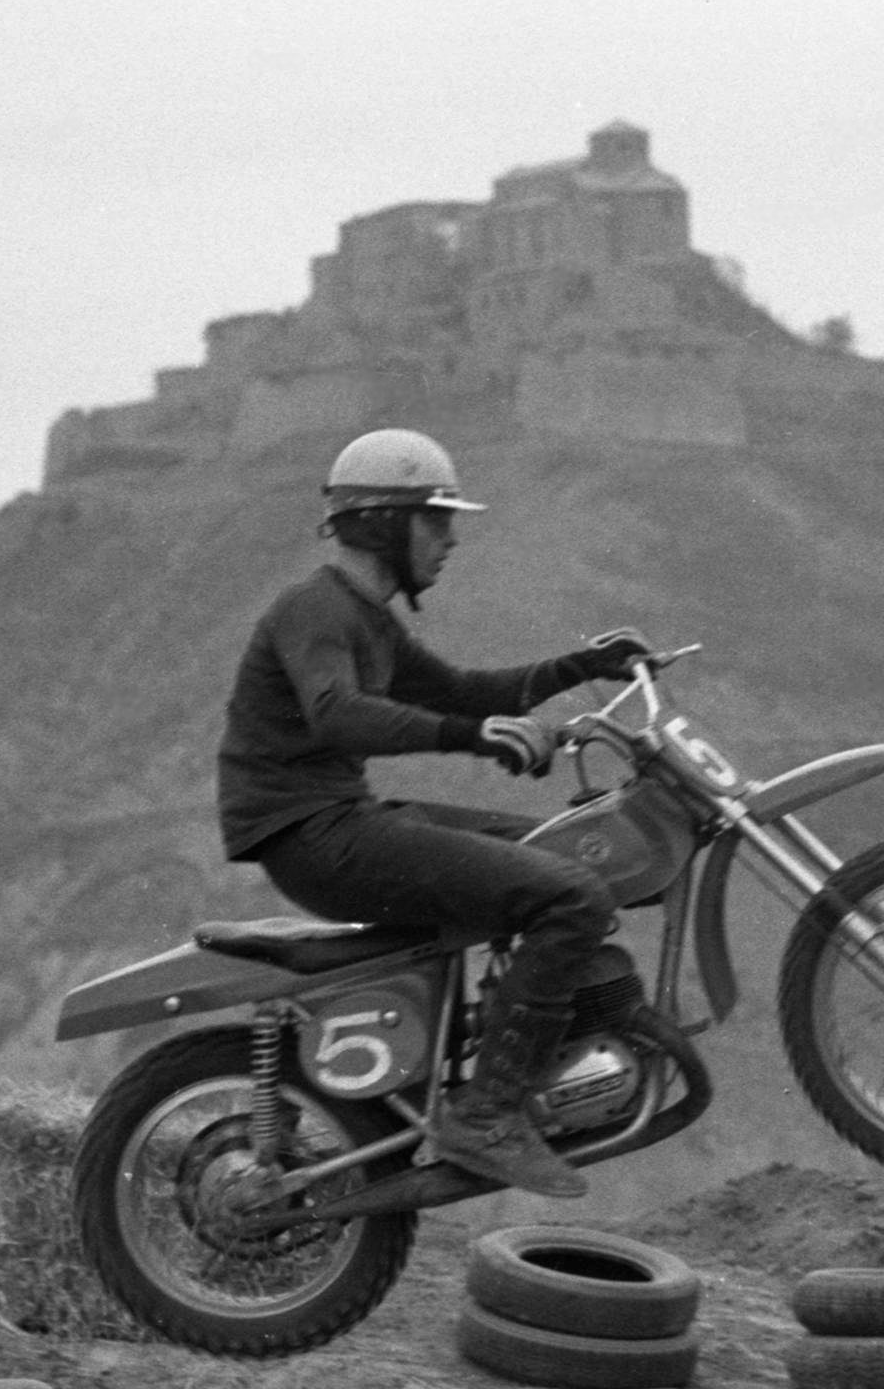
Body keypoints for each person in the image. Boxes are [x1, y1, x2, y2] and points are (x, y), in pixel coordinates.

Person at [216, 427, 651, 1198]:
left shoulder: (370, 619)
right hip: (311, 836)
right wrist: (472, 737)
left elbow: (465, 692)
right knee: (568, 895)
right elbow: (337, 714)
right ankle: (487, 1112)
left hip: (340, 823)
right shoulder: (314, 609)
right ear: (386, 524)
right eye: (436, 520)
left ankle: (517, 1053)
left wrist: (584, 666)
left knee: (565, 852)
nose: (450, 540)